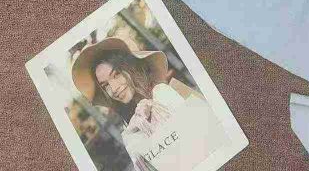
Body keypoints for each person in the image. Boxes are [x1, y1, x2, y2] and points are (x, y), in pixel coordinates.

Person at [72, 37, 230, 171]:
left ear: (130, 68)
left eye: (117, 74)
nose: (114, 88)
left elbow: (201, 142)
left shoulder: (161, 94)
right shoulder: (128, 128)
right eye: (105, 85)